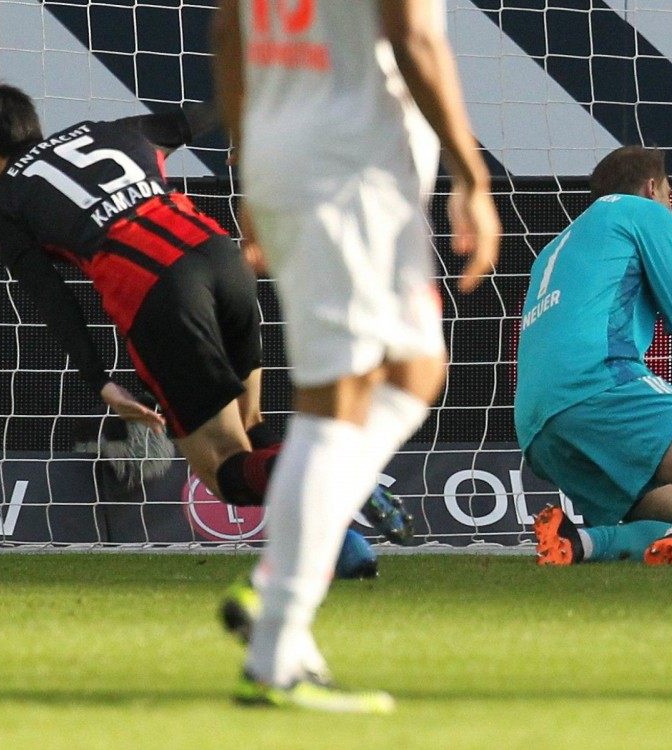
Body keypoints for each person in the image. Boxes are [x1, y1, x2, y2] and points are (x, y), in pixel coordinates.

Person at [0, 83, 413, 549]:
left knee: (224, 472)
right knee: (250, 427)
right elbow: (206, 113)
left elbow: (53, 301)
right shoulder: (108, 132)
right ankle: (346, 549)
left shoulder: (5, 203)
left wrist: (100, 382)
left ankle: (333, 471)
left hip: (160, 292)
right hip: (220, 257)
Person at [212, 0, 500, 713]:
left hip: (297, 153)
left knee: (415, 367)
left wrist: (253, 159)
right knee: (334, 399)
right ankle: (277, 646)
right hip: (349, 170)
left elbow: (226, 28)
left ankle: (281, 586)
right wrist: (474, 175)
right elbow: (413, 35)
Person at [515, 145, 672, 567]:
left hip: (535, 428)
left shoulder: (552, 249)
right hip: (598, 384)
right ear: (653, 188)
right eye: (670, 192)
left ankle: (578, 542)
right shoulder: (642, 212)